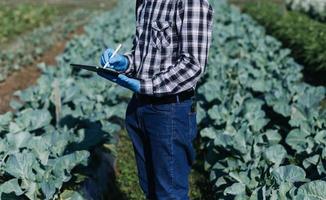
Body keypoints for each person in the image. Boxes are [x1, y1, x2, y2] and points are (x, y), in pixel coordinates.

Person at [98, 0, 214, 199]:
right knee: (149, 186)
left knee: (169, 193)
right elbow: (144, 56)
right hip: (140, 107)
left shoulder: (191, 3)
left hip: (169, 111)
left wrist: (145, 86)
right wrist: (124, 62)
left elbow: (192, 65)